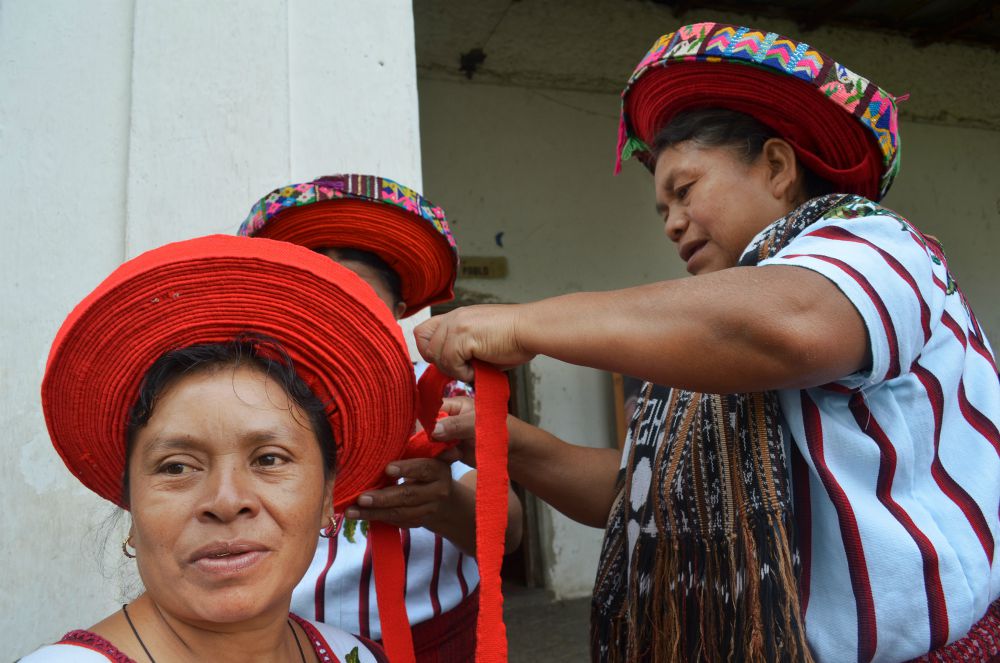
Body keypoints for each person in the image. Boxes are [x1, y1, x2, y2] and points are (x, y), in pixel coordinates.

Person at [416, 21, 1000, 663]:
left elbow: (791, 327)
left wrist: (524, 322)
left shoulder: (876, 242)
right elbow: (642, 500)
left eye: (684, 190)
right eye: (661, 209)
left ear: (776, 167)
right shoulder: (704, 343)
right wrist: (499, 436)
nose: (671, 223)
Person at [23, 235, 433, 662]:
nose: (226, 501)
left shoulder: (356, 656)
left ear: (328, 495)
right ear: (130, 504)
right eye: (177, 467)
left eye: (269, 459)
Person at [238, 173, 523, 662]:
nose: (335, 323)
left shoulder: (437, 392)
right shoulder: (244, 394)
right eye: (314, 301)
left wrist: (443, 500)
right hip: (286, 645)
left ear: (398, 309)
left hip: (437, 637)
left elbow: (508, 530)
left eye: (360, 305)